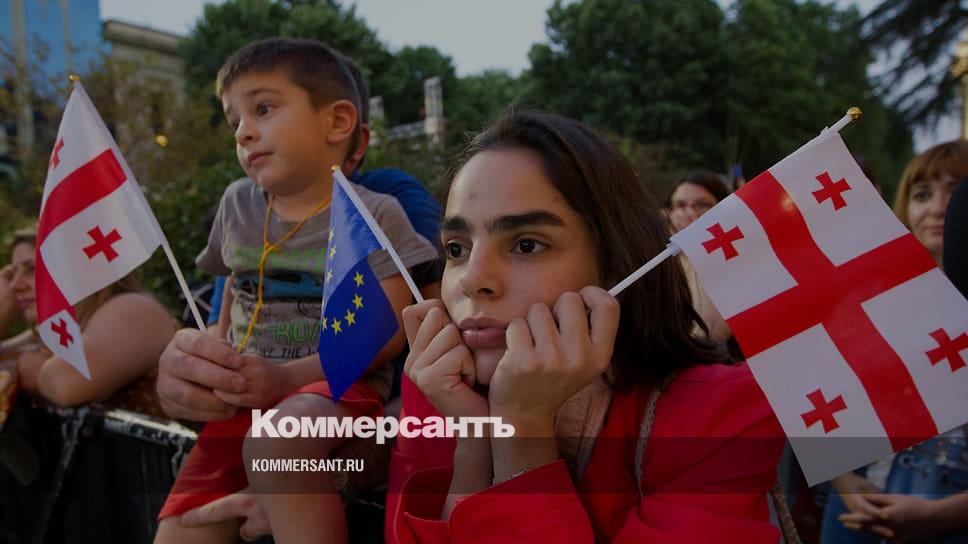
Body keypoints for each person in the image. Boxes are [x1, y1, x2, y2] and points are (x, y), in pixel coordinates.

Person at [387, 110, 786, 542]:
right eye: (456, 248)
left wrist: (523, 429)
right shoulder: (436, 389)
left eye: (526, 244)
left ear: (615, 263)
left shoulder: (716, 416)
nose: (471, 279)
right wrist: (474, 443)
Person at [154, 38, 437, 544]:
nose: (243, 131)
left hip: (336, 389)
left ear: (339, 122)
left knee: (277, 444)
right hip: (248, 394)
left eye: (263, 109)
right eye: (234, 120)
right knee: (185, 522)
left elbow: (386, 328)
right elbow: (236, 288)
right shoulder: (238, 205)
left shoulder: (375, 210)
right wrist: (218, 360)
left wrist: (285, 379)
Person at [822, 140, 968, 543]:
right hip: (856, 509)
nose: (938, 207)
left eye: (956, 192)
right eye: (922, 194)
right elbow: (821, 401)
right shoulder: (866, 300)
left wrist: (941, 515)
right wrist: (844, 482)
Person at [0, 227, 173, 413]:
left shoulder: (135, 309)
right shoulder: (61, 327)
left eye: (32, 269)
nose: (15, 285)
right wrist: (4, 307)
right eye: (13, 273)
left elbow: (66, 384)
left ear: (76, 266)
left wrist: (34, 369)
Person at [667, 171, 733, 343]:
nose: (690, 213)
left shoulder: (733, 259)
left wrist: (695, 252)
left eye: (702, 205)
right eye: (680, 205)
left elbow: (712, 333)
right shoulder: (661, 261)